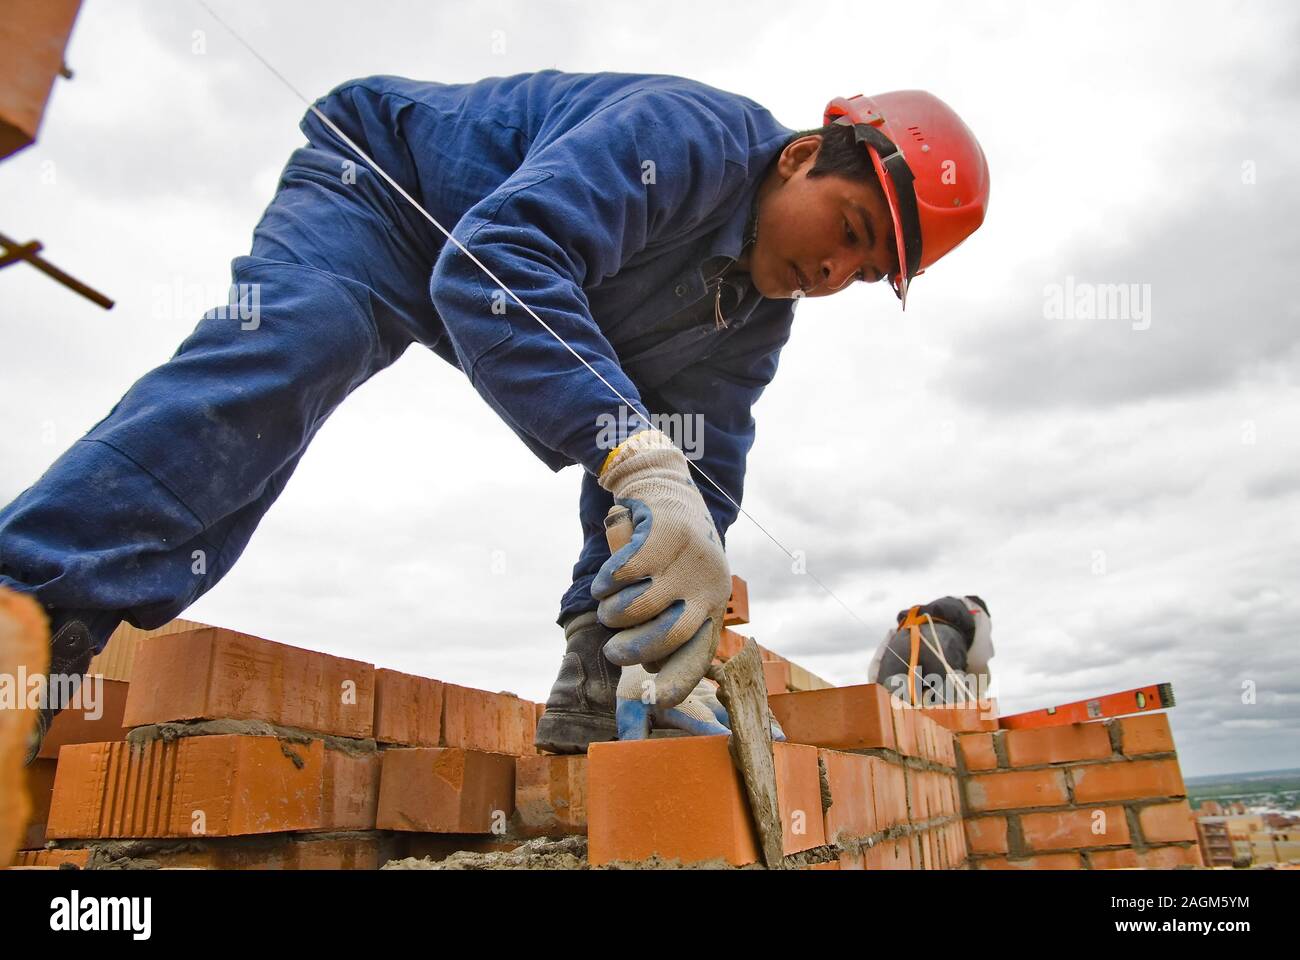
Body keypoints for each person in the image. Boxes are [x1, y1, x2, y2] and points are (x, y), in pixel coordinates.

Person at [0, 70, 990, 763]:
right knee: (305, 337)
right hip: (381, 190)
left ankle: (595, 705)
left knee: (661, 459)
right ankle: (37, 602)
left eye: (863, 274)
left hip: (513, 265)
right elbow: (498, 262)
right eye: (849, 230)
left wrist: (640, 634)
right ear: (804, 155)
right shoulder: (684, 138)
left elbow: (704, 463)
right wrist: (633, 452)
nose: (831, 272)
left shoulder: (752, 316)